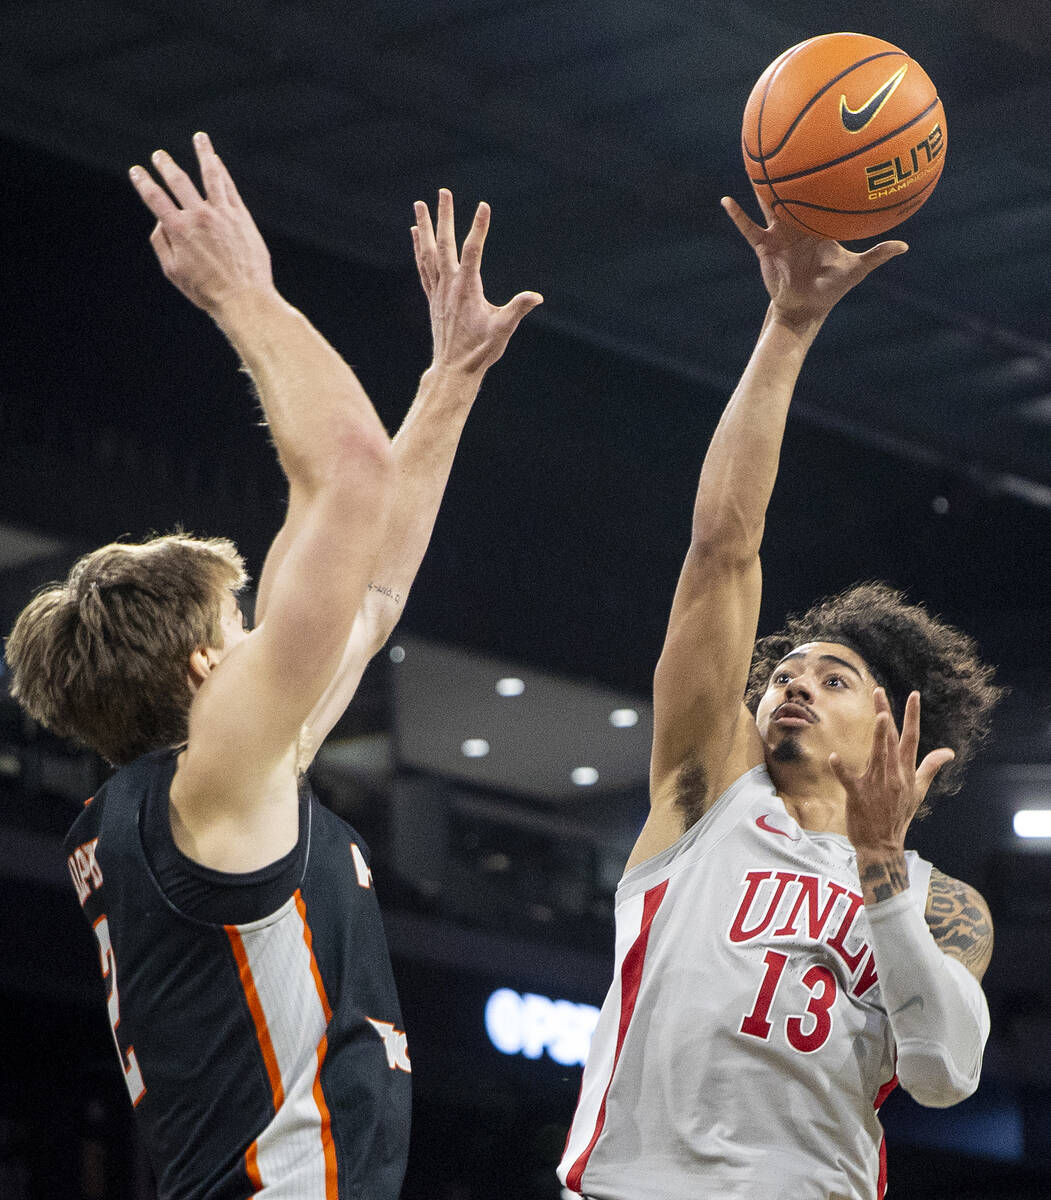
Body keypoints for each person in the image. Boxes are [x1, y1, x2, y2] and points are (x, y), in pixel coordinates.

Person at [6, 133, 540, 1199]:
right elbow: (348, 469)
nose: (265, 629)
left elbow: (373, 593)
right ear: (206, 666)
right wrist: (241, 295)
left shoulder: (217, 789)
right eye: (240, 617)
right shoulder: (219, 778)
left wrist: (450, 381)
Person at [559, 198, 1003, 1200]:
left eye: (833, 678)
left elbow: (941, 1074)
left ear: (898, 727)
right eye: (784, 673)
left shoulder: (941, 904)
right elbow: (723, 547)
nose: (794, 681)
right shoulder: (706, 797)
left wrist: (882, 871)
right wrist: (788, 326)